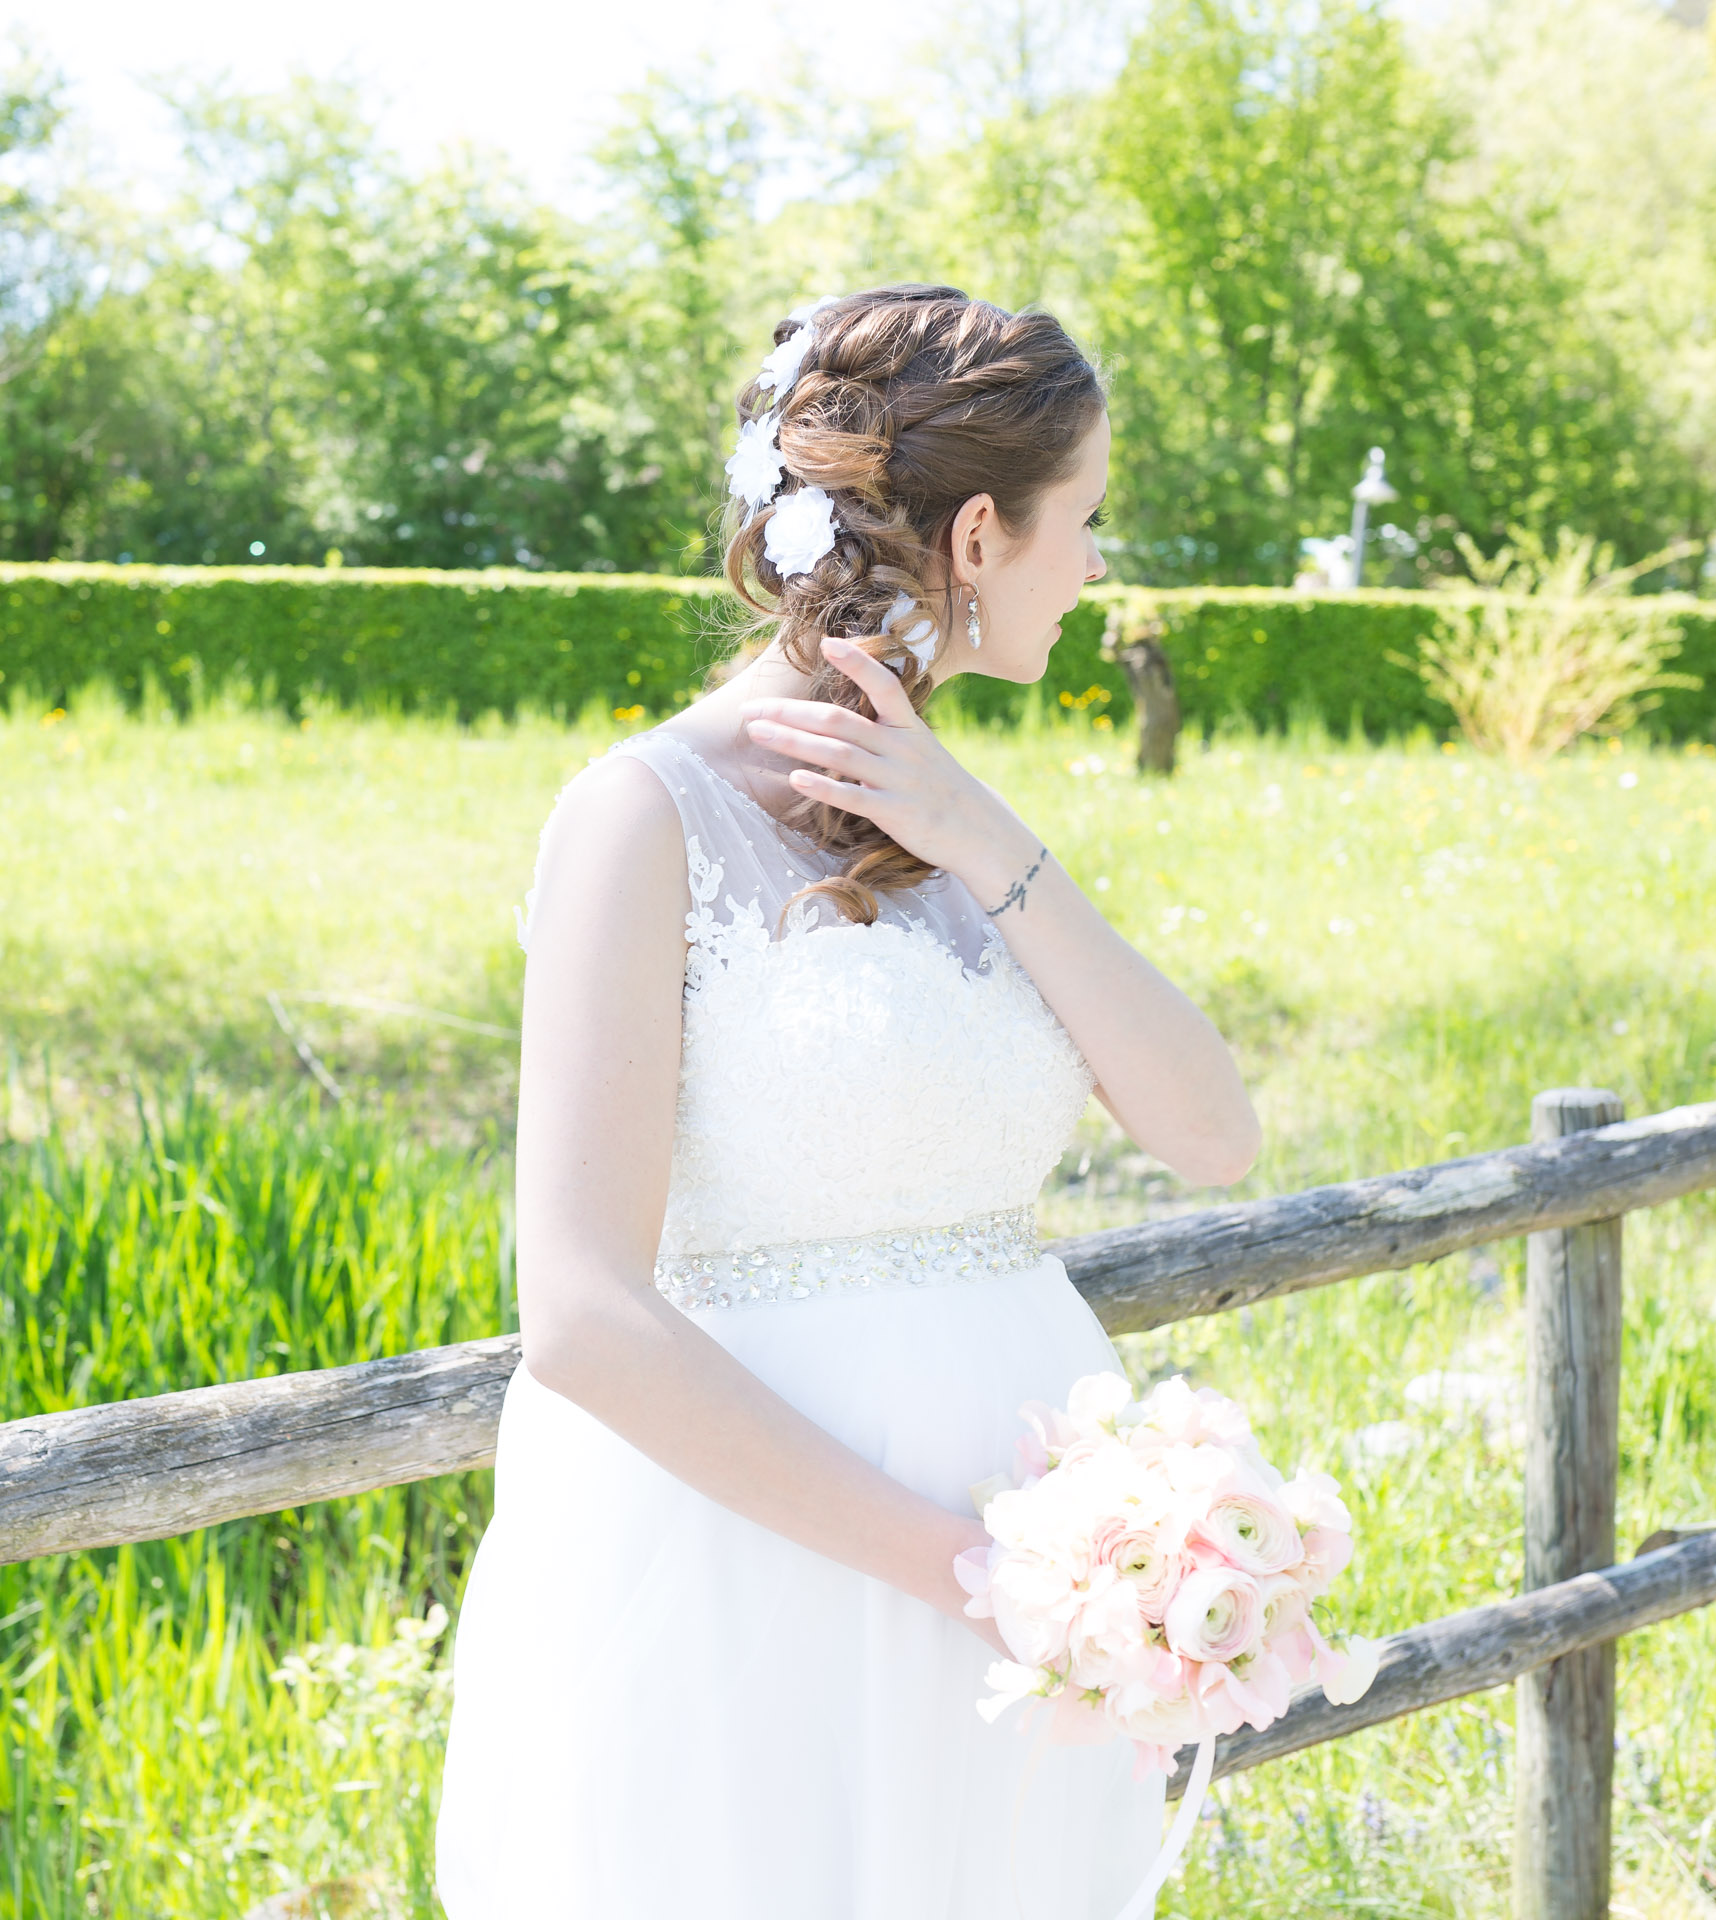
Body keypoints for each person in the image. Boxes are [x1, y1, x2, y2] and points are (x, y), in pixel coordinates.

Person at [435, 285, 1262, 1920]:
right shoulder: (638, 816)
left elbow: (1213, 1135)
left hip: (1022, 1585)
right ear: (975, 534)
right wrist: (973, 1574)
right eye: (1083, 520)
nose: (1097, 566)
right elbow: (583, 1314)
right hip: (767, 1572)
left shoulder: (965, 817)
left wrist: (984, 837)